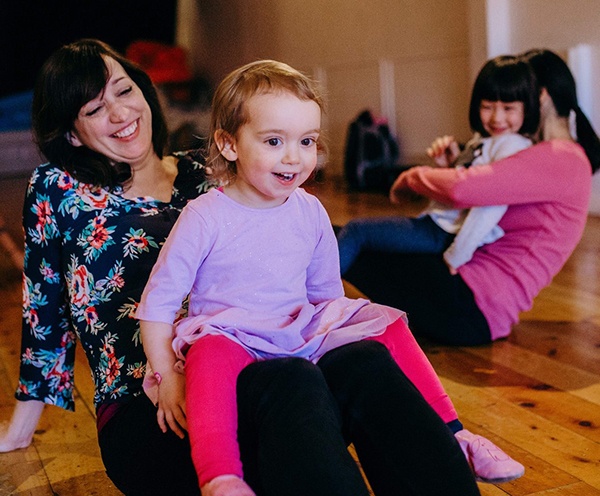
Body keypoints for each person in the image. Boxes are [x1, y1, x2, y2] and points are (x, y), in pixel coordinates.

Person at [0, 39, 417, 496]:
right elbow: (45, 303)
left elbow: (302, 230)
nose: (120, 114)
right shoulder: (61, 189)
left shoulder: (208, 170)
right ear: (74, 134)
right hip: (154, 405)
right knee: (291, 383)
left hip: (264, 361)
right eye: (95, 108)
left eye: (123, 91)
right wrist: (25, 421)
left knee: (366, 362)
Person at [136, 59, 510, 496]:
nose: (294, 157)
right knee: (207, 357)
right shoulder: (205, 216)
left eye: (307, 141)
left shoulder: (310, 210)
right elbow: (159, 305)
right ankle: (221, 477)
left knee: (384, 324)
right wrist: (166, 375)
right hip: (231, 334)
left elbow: (326, 293)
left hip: (296, 329)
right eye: (274, 141)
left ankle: (455, 432)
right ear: (229, 144)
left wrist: (339, 330)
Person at [343, 48, 600, 346]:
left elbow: (463, 189)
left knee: (345, 239)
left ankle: (297, 315)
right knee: (346, 238)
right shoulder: (553, 155)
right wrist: (455, 164)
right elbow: (479, 189)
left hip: (470, 305)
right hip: (468, 294)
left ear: (539, 96)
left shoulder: (560, 156)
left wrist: (413, 176)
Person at [337, 55, 539, 275]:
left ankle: (313, 299)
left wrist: (457, 255)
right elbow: (467, 185)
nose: (497, 118)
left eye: (508, 108)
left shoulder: (512, 145)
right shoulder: (485, 140)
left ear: (527, 108)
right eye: (487, 107)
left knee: (356, 231)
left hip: (441, 232)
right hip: (438, 225)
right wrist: (451, 165)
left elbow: (489, 206)